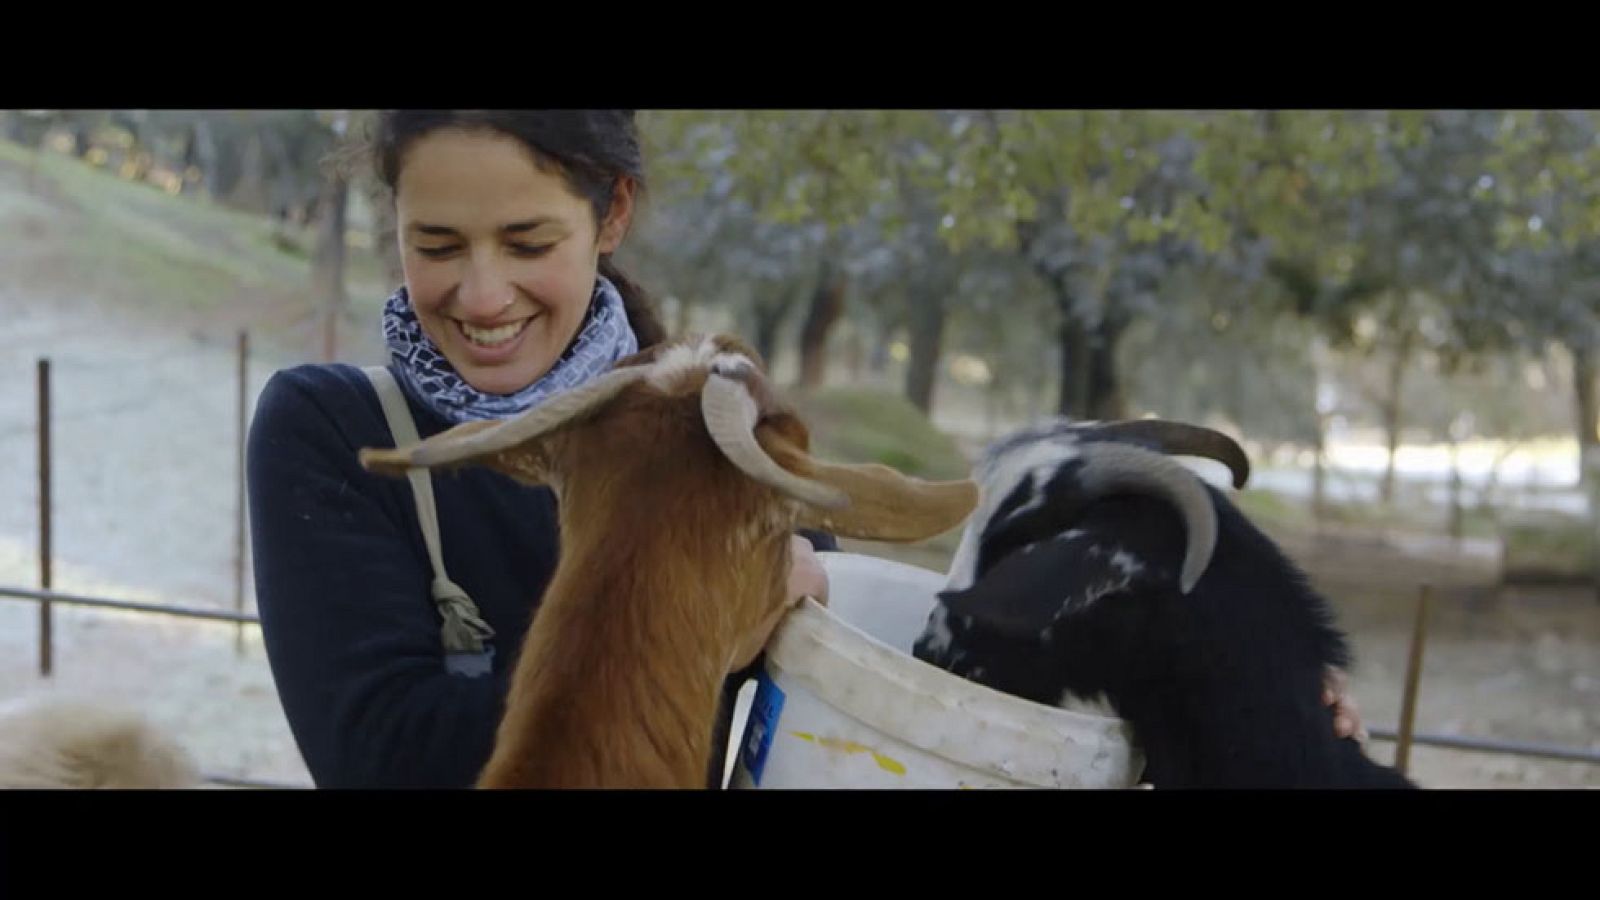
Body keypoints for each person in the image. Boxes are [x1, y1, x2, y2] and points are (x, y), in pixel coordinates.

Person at [247, 109, 1364, 790]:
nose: (480, 294)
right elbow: (381, 760)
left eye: (527, 241)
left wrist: (1253, 699)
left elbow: (899, 703)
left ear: (613, 212)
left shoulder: (727, 444)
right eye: (435, 244)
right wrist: (701, 612)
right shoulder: (338, 431)